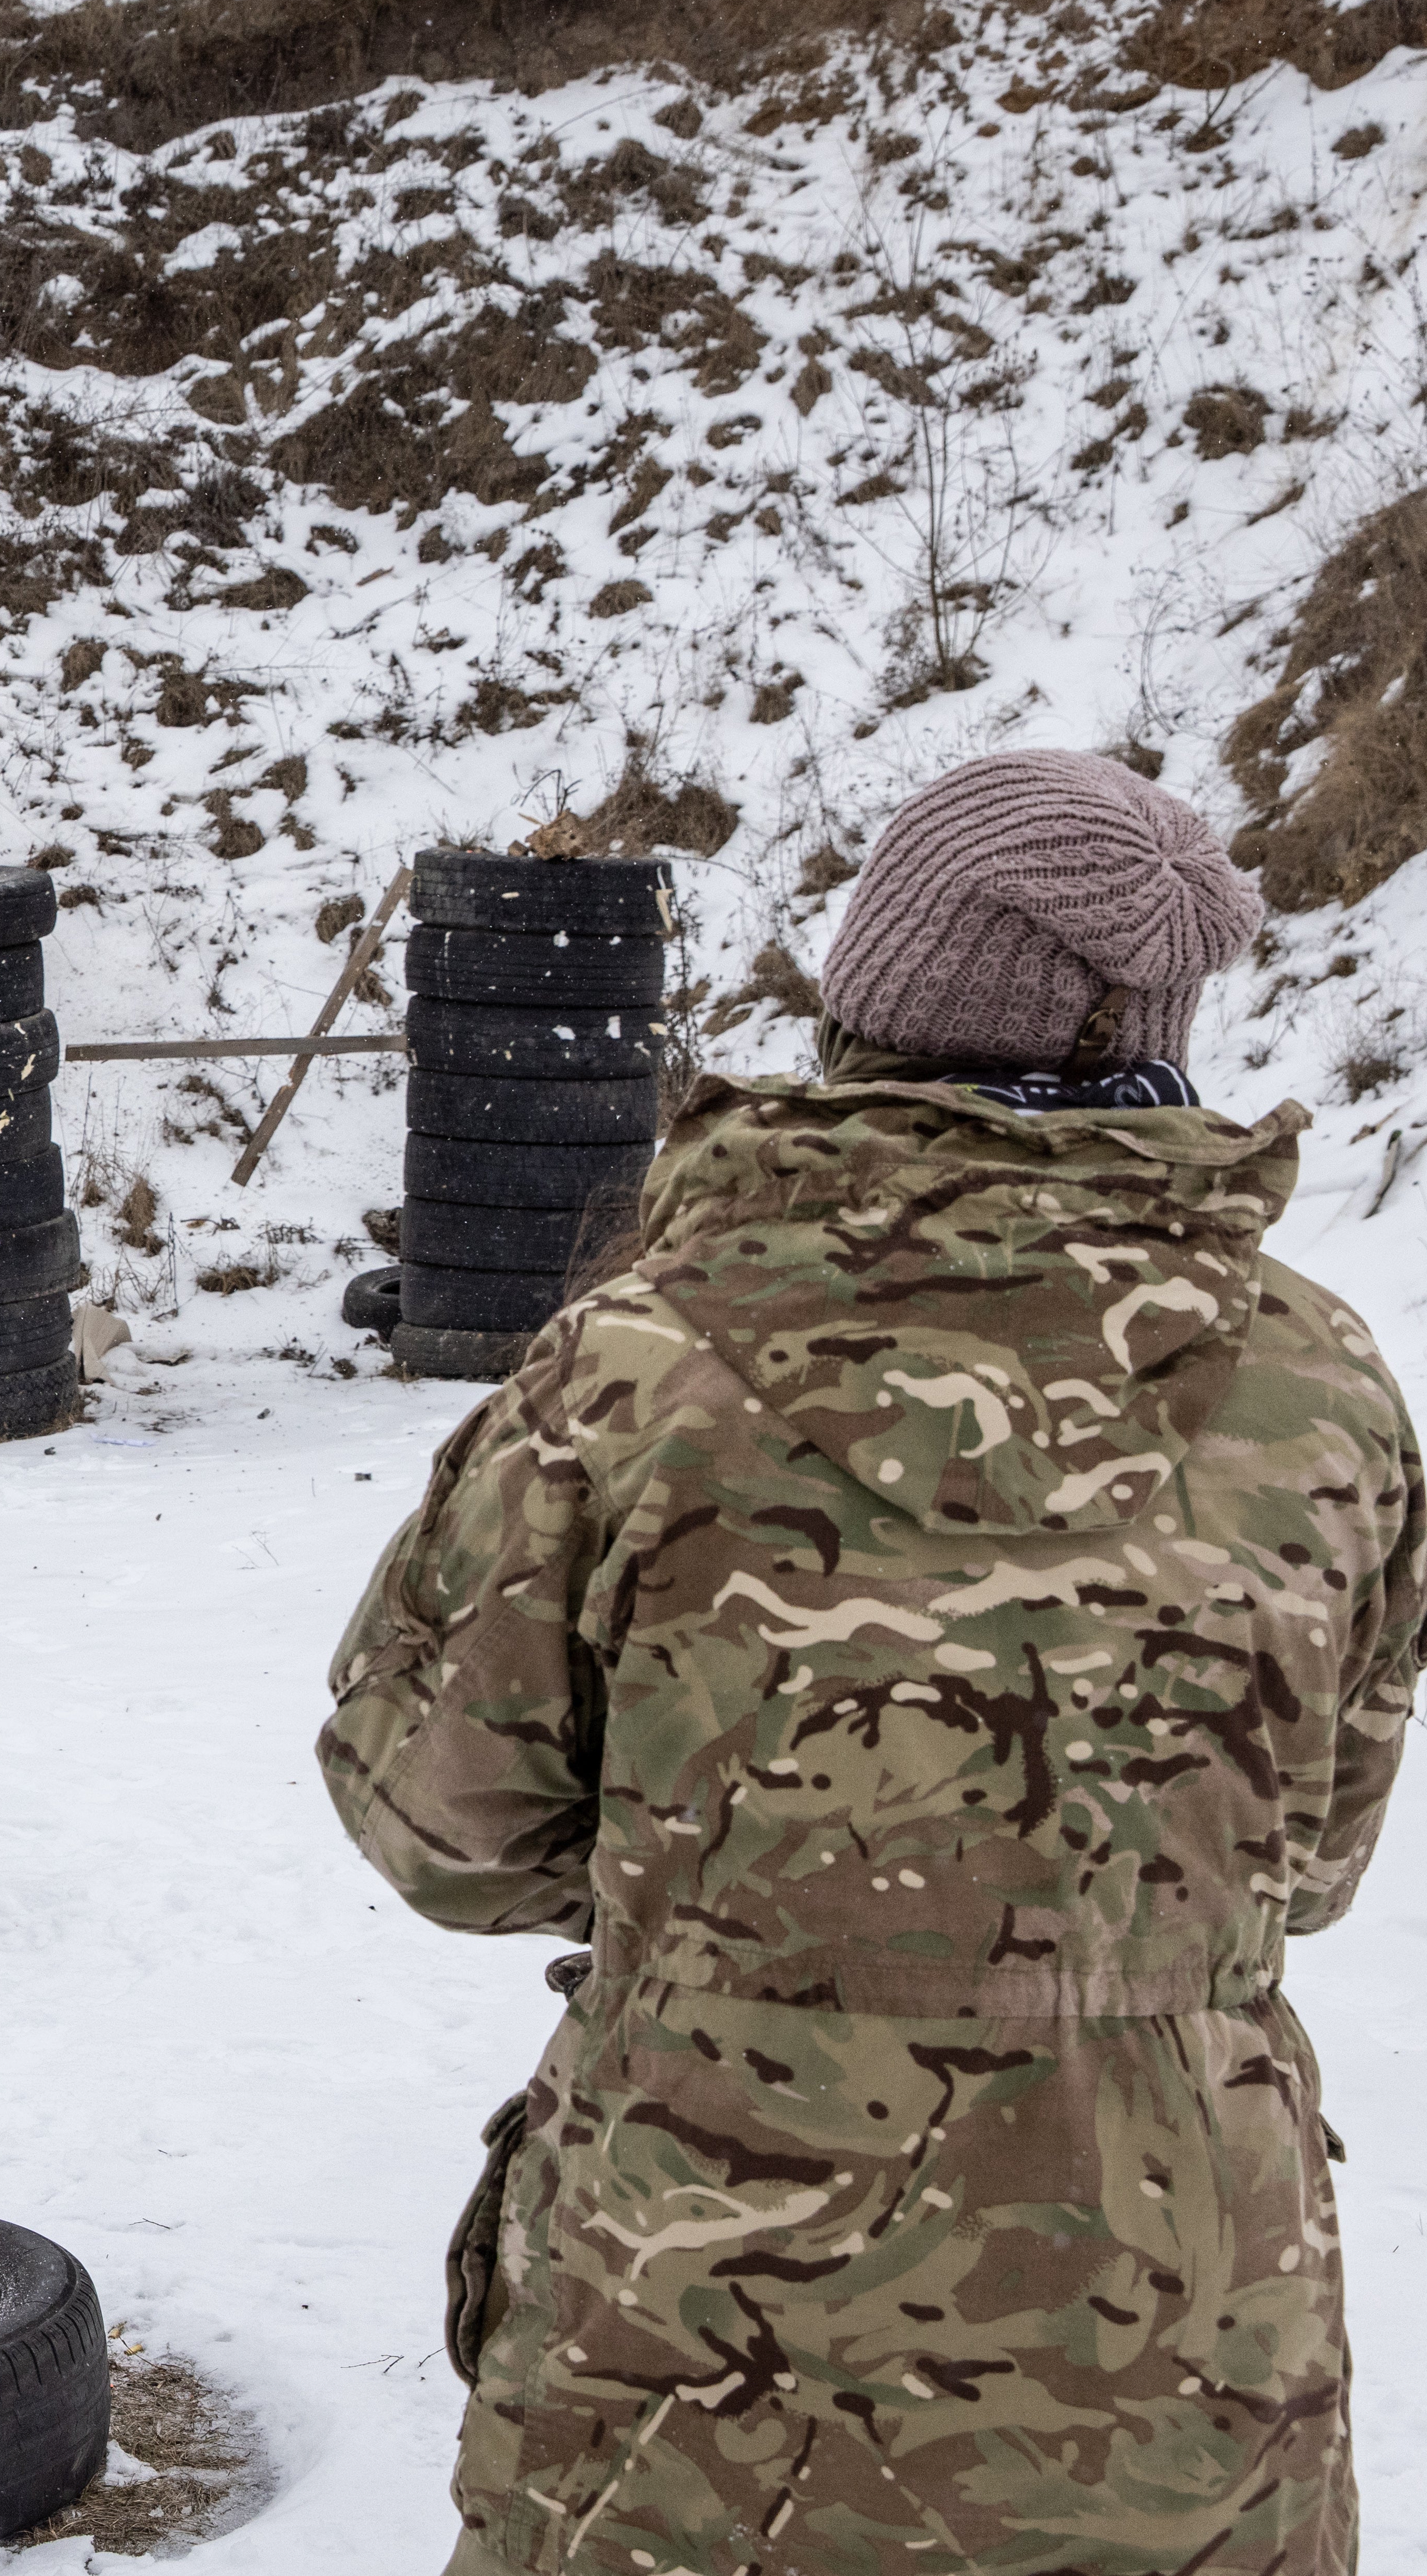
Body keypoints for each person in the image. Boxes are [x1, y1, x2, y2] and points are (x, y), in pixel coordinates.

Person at [321, 750, 1422, 2576]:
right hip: (1189, 2358)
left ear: (882, 992)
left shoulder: (640, 1364)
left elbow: (439, 1820)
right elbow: (1310, 1855)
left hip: (709, 2366)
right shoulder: (1326, 1382)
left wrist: (733, 1897)